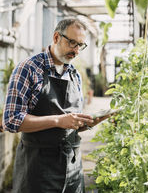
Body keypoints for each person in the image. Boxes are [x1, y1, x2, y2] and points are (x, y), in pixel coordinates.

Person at [3, 18, 108, 193]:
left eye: (80, 46)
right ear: (56, 37)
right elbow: (11, 120)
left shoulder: (75, 75)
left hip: (72, 169)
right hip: (38, 168)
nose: (75, 51)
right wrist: (58, 120)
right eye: (72, 43)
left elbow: (70, 124)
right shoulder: (29, 68)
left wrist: (90, 122)